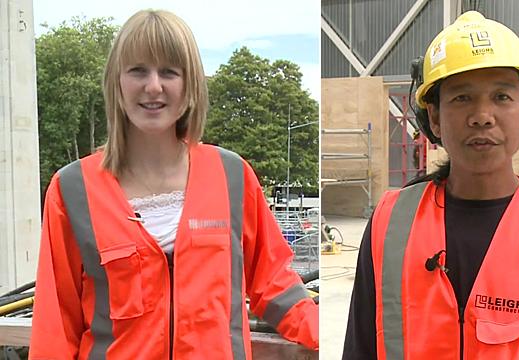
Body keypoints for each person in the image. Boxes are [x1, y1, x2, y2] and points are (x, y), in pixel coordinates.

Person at [30, 10, 318, 359]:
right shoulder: (72, 190)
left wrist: (332, 338)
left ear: (189, 84)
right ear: (117, 82)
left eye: (169, 71)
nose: (154, 86)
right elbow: (55, 327)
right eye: (138, 70)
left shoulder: (232, 176)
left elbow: (275, 286)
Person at [342, 11, 519, 359]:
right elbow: (360, 347)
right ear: (435, 117)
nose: (482, 115)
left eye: (501, 97)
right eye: (461, 98)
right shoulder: (391, 223)